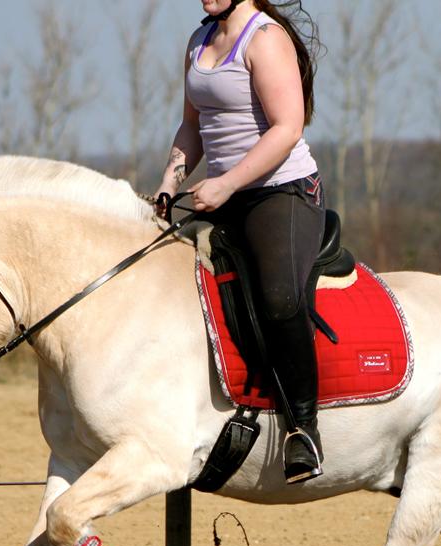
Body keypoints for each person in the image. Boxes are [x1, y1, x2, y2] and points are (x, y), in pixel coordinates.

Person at [155, 0, 326, 484]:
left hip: (282, 193)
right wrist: (170, 184)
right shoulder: (199, 40)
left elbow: (288, 128)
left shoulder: (266, 38)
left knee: (278, 297)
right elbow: (193, 126)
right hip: (220, 194)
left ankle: (304, 431)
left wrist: (226, 183)